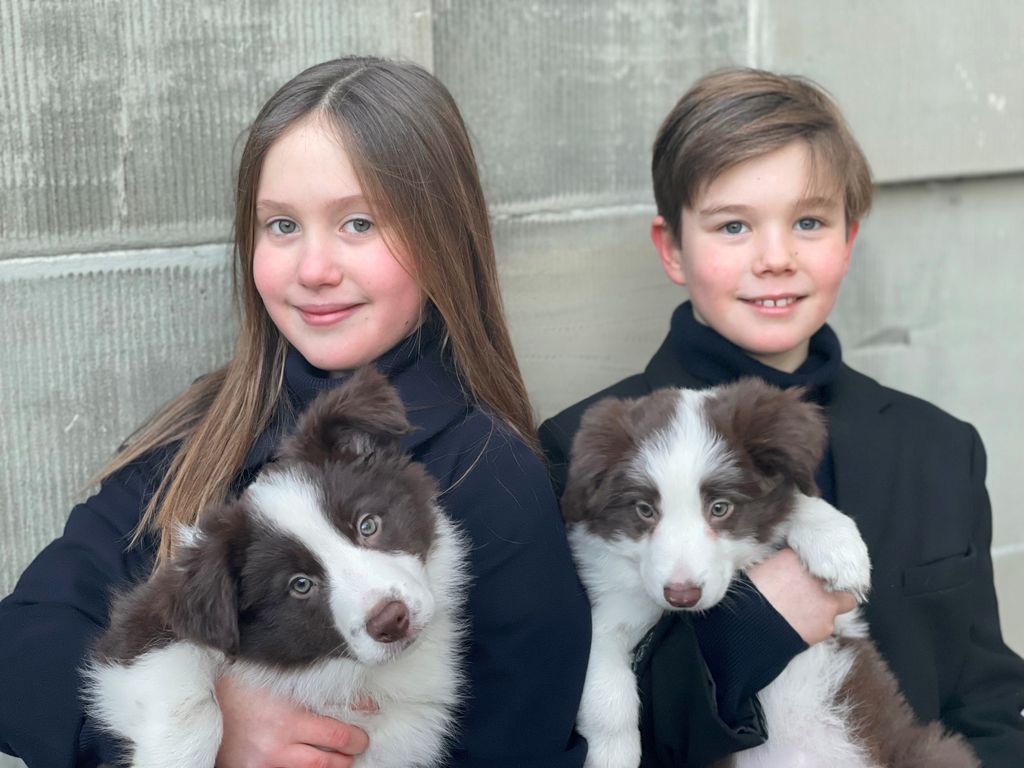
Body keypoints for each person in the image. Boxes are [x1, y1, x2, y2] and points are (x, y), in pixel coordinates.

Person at [0, 56, 590, 768]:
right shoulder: (208, 429)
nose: (314, 268)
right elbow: (24, 641)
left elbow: (519, 747)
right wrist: (206, 728)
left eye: (360, 223)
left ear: (445, 237)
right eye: (282, 225)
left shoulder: (488, 474)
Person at [540, 68, 1024, 767]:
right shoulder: (578, 450)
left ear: (848, 238)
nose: (775, 259)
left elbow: (986, 698)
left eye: (808, 222)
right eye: (733, 225)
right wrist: (756, 628)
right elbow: (570, 717)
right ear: (672, 247)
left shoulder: (938, 448)